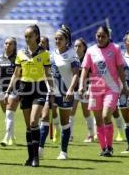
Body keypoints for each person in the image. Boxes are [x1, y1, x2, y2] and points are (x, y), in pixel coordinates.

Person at [5, 25, 54, 167]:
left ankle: (36, 158)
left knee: (33, 122)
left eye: (30, 36)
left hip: (39, 89)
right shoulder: (20, 53)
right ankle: (30, 157)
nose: (27, 39)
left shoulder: (44, 54)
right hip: (24, 89)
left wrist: (52, 89)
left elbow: (48, 74)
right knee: (28, 127)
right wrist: (8, 91)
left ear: (37, 36)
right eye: (26, 36)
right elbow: (16, 74)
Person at [78, 26, 129, 157]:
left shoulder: (115, 49)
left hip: (112, 88)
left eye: (103, 36)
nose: (100, 39)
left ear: (108, 36)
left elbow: (120, 68)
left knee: (106, 115)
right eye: (98, 36)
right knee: (98, 119)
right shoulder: (90, 51)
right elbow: (85, 69)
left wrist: (124, 85)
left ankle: (110, 147)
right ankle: (104, 148)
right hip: (95, 89)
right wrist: (81, 86)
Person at [51, 25, 80, 160]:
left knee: (64, 122)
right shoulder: (52, 53)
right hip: (52, 92)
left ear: (66, 40)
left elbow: (76, 74)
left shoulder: (72, 54)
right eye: (56, 38)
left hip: (65, 92)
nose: (57, 41)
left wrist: (70, 89)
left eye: (60, 39)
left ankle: (64, 152)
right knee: (44, 116)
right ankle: (39, 149)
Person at [70, 38, 95, 142]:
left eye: (79, 46)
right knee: (71, 112)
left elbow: (91, 76)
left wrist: (89, 89)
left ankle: (91, 134)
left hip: (84, 89)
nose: (77, 48)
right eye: (75, 46)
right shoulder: (72, 58)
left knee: (86, 113)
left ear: (84, 47)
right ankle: (69, 135)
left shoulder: (87, 59)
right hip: (74, 89)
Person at [0, 37, 19, 146]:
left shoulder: (17, 59)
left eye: (10, 44)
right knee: (6, 115)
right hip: (1, 89)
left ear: (14, 46)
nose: (7, 45)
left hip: (15, 89)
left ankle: (6, 137)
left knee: (9, 113)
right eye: (6, 43)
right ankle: (12, 136)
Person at [39, 36, 61, 144]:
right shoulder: (34, 56)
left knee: (52, 112)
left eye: (43, 42)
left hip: (50, 86)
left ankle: (57, 128)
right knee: (41, 113)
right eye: (39, 42)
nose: (41, 44)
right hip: (38, 87)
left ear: (47, 44)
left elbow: (52, 72)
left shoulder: (51, 57)